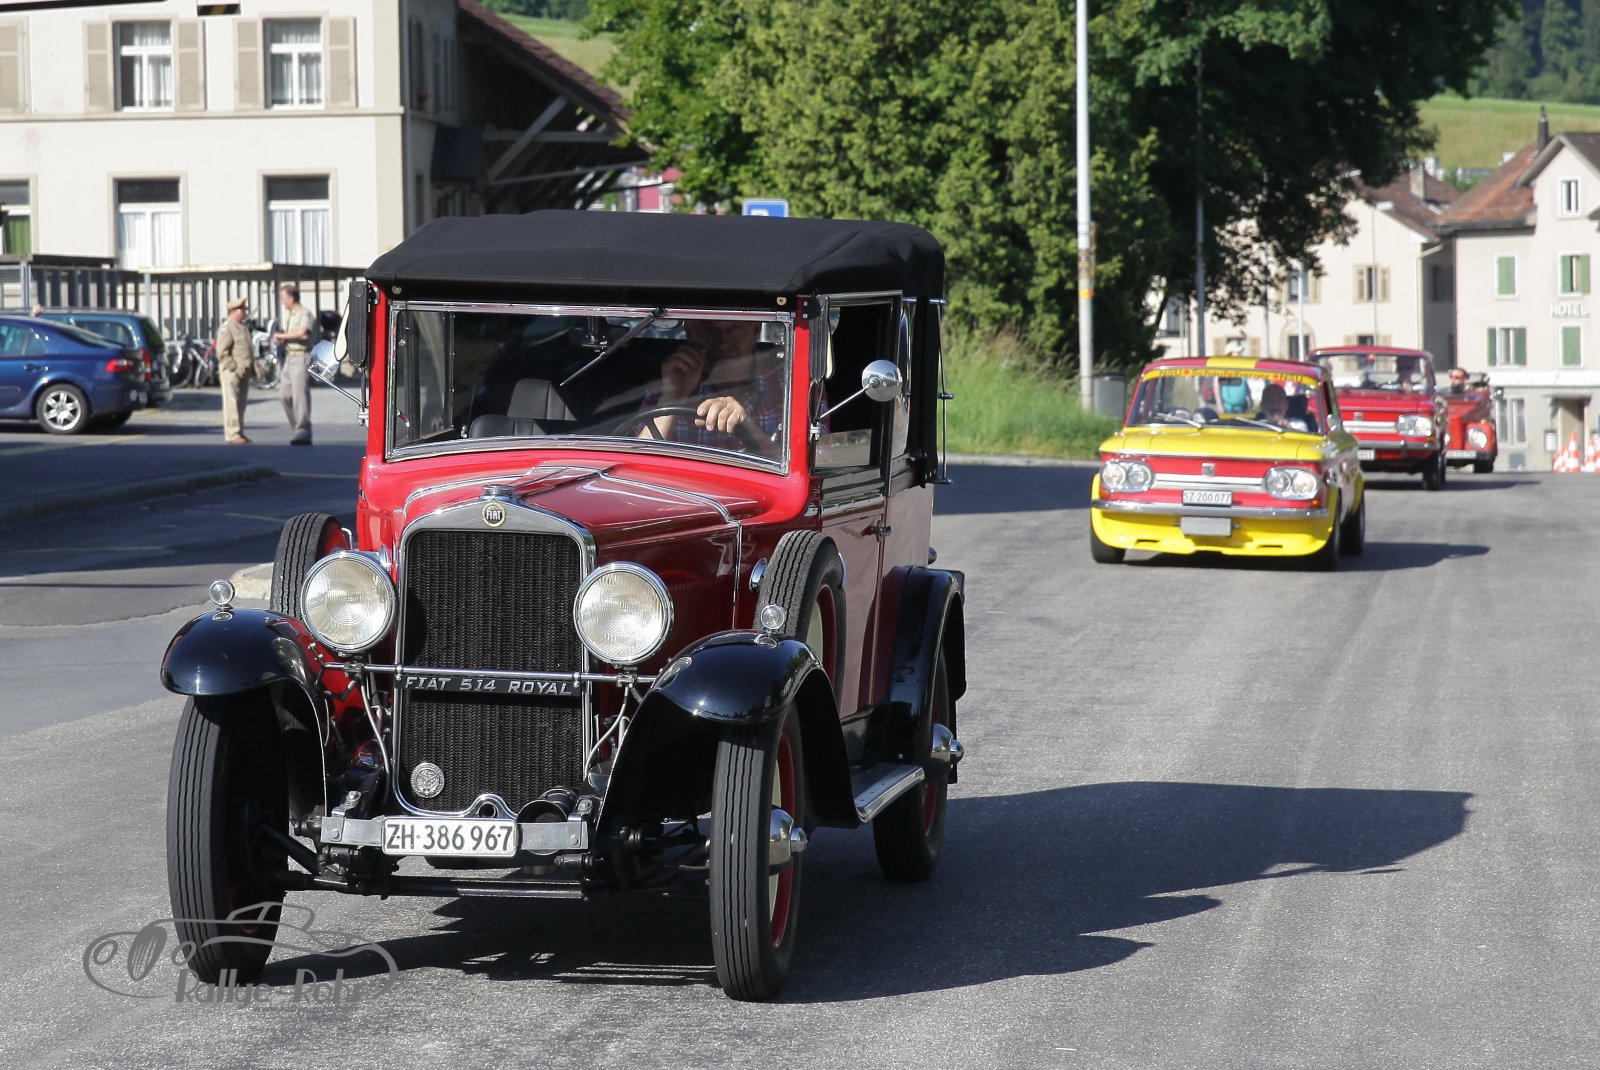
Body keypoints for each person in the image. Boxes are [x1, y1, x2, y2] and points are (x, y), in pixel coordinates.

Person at [638, 320, 783, 455]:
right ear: (691, 333)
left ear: (756, 330)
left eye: (734, 328)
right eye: (710, 329)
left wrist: (750, 429)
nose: (723, 342)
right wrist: (674, 398)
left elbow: (791, 465)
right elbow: (639, 461)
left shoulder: (787, 387)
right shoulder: (666, 389)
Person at [271, 283, 315, 445]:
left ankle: (303, 429)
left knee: (299, 396)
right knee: (284, 395)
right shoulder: (289, 315)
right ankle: (297, 427)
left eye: (283, 298)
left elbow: (302, 332)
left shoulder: (305, 313)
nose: (282, 302)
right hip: (289, 357)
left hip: (301, 356)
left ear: (291, 298)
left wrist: (282, 336)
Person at [215, 298, 254, 444]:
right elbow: (221, 351)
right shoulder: (227, 327)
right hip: (232, 371)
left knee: (241, 403)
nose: (244, 312)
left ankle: (240, 431)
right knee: (231, 402)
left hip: (244, 369)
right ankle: (233, 433)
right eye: (242, 310)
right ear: (234, 311)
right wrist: (233, 367)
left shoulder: (242, 327)